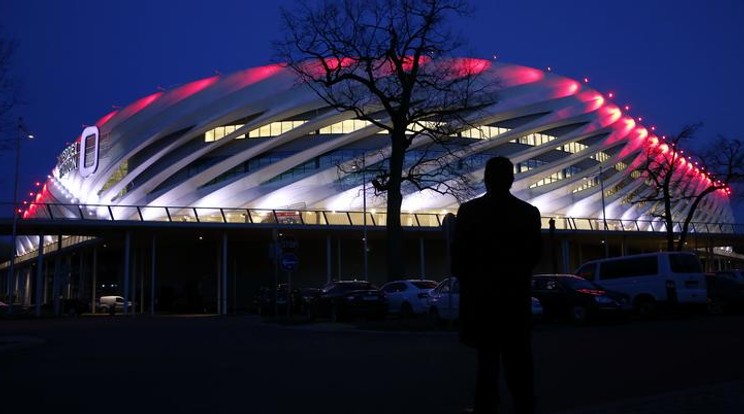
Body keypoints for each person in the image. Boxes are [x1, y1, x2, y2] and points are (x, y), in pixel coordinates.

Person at [451, 156, 543, 414]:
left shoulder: (469, 212)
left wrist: (472, 282)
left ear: (486, 179)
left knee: (487, 360)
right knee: (519, 359)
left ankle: (486, 406)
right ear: (512, 179)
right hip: (515, 300)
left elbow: (458, 257)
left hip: (483, 301)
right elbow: (534, 255)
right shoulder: (528, 213)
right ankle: (525, 404)